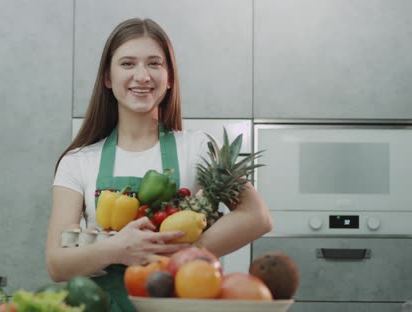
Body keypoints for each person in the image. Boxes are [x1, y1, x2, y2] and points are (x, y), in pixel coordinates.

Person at [46, 18, 272, 311]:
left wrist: (179, 253)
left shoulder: (197, 147)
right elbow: (56, 263)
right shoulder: (78, 162)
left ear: (170, 78)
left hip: (178, 302)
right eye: (128, 64)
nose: (142, 76)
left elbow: (257, 216)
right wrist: (118, 249)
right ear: (107, 77)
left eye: (154, 64)